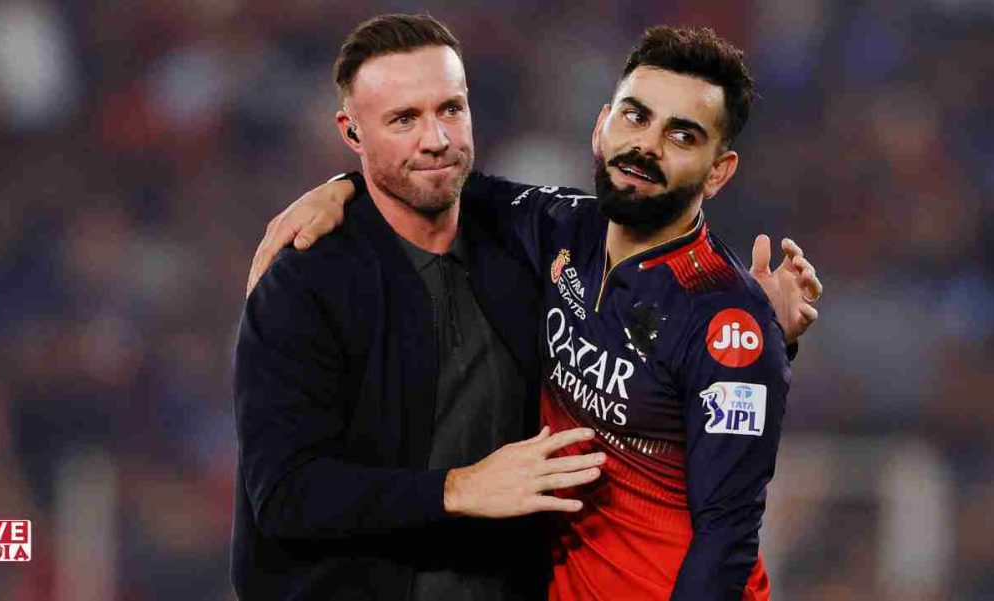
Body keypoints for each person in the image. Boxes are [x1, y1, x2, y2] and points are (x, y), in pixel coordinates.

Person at [247, 20, 825, 601]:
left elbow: (726, 539)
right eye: (636, 116)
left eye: (682, 135)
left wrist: (767, 341)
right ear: (602, 125)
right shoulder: (557, 227)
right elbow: (437, 179)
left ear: (718, 171)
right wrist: (342, 185)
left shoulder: (728, 322)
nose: (647, 145)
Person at [232, 15, 611, 601]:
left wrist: (748, 310)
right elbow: (286, 496)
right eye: (403, 119)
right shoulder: (302, 285)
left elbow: (627, 238)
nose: (435, 138)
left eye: (450, 109)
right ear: (352, 132)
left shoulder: (522, 243)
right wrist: (457, 489)